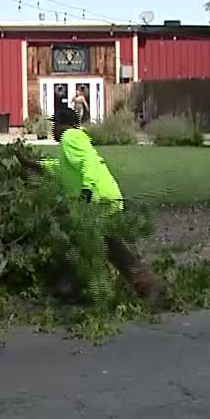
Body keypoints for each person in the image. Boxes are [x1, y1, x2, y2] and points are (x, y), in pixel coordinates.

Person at [33, 104, 166, 304]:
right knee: (99, 244)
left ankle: (71, 290)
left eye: (56, 124)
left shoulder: (71, 137)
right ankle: (144, 285)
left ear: (65, 125)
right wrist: (35, 164)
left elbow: (89, 164)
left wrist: (86, 192)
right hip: (99, 200)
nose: (53, 129)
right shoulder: (67, 145)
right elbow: (60, 168)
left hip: (98, 201)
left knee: (83, 242)